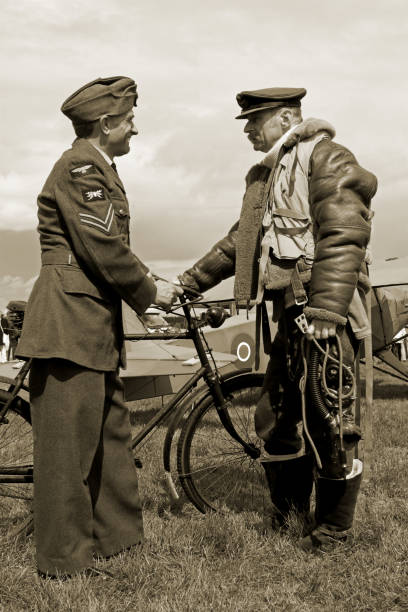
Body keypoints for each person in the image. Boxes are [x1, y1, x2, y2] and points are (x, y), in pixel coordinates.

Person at [179, 87, 377, 551]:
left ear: (287, 116)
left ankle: (334, 533)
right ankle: (288, 515)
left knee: (331, 421)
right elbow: (241, 243)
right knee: (277, 419)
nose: (248, 129)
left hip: (324, 317)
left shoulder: (327, 158)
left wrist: (327, 308)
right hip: (291, 317)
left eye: (256, 120)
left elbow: (346, 231)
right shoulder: (271, 176)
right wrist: (190, 280)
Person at [16, 76, 182, 578]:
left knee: (109, 439)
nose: (135, 127)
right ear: (106, 123)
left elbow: (108, 249)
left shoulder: (97, 168)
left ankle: (118, 541)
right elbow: (103, 247)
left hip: (90, 325)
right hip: (70, 326)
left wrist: (147, 286)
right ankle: (63, 562)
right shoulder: (80, 167)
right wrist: (150, 293)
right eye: (128, 119)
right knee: (67, 452)